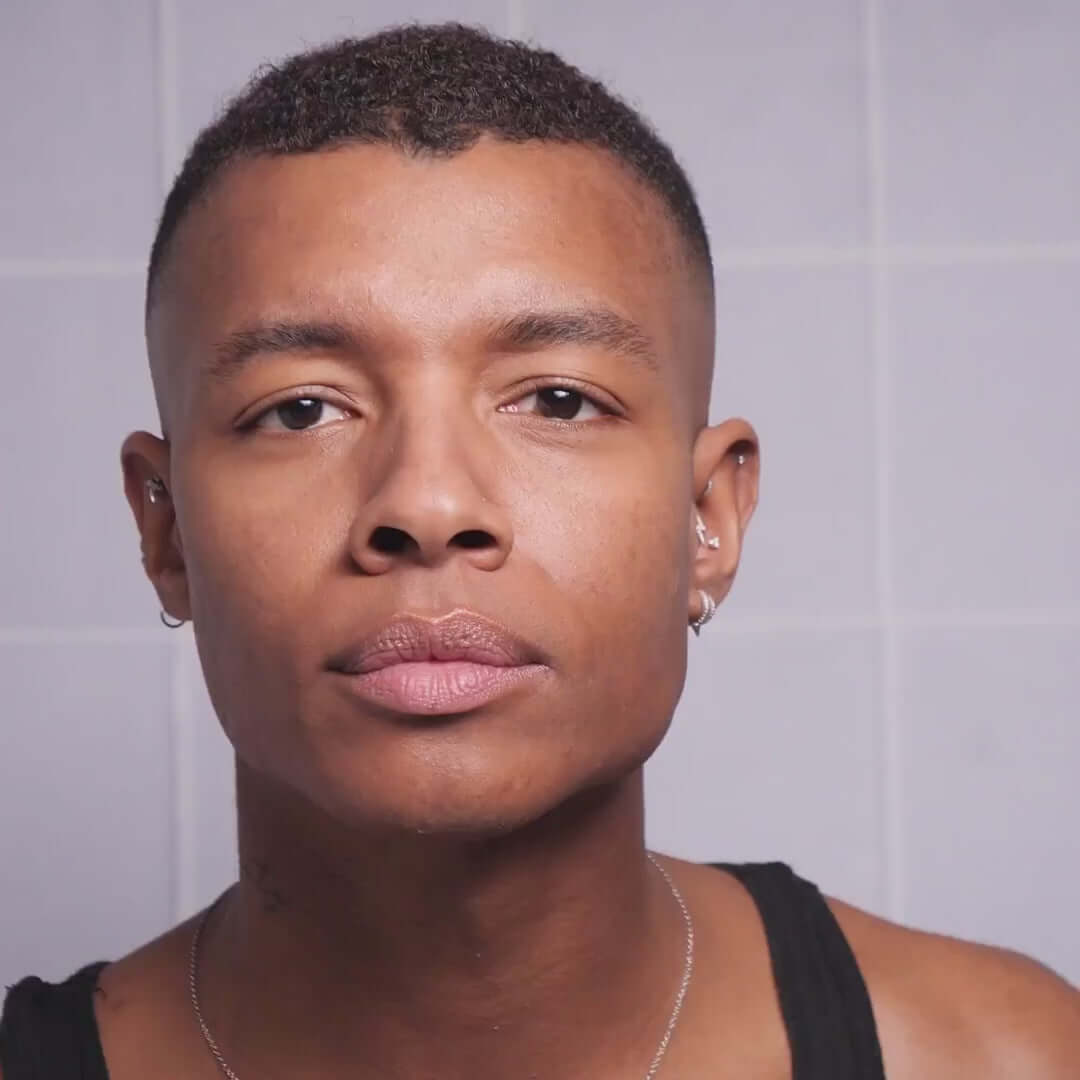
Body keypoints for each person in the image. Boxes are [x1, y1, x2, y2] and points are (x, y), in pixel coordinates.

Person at [2, 21, 1077, 1080]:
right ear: (167, 527)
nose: (427, 503)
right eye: (299, 411)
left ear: (711, 517)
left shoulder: (1006, 1058)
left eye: (559, 399)